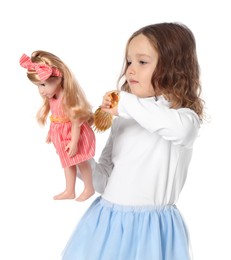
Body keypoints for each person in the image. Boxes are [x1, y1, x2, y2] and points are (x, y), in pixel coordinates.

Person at [62, 22, 204, 259]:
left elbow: (179, 131)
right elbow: (103, 181)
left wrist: (123, 103)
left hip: (152, 230)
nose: (130, 70)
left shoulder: (183, 118)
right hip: (107, 223)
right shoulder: (123, 119)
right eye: (129, 61)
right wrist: (78, 154)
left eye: (142, 62)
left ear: (174, 68)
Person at [19, 51, 95, 201]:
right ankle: (69, 190)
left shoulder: (68, 98)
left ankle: (89, 188)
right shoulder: (52, 96)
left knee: (81, 161)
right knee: (67, 163)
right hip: (61, 135)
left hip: (74, 134)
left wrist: (74, 142)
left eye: (43, 84)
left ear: (58, 77)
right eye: (38, 86)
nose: (41, 90)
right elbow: (55, 117)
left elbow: (76, 123)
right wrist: (51, 132)